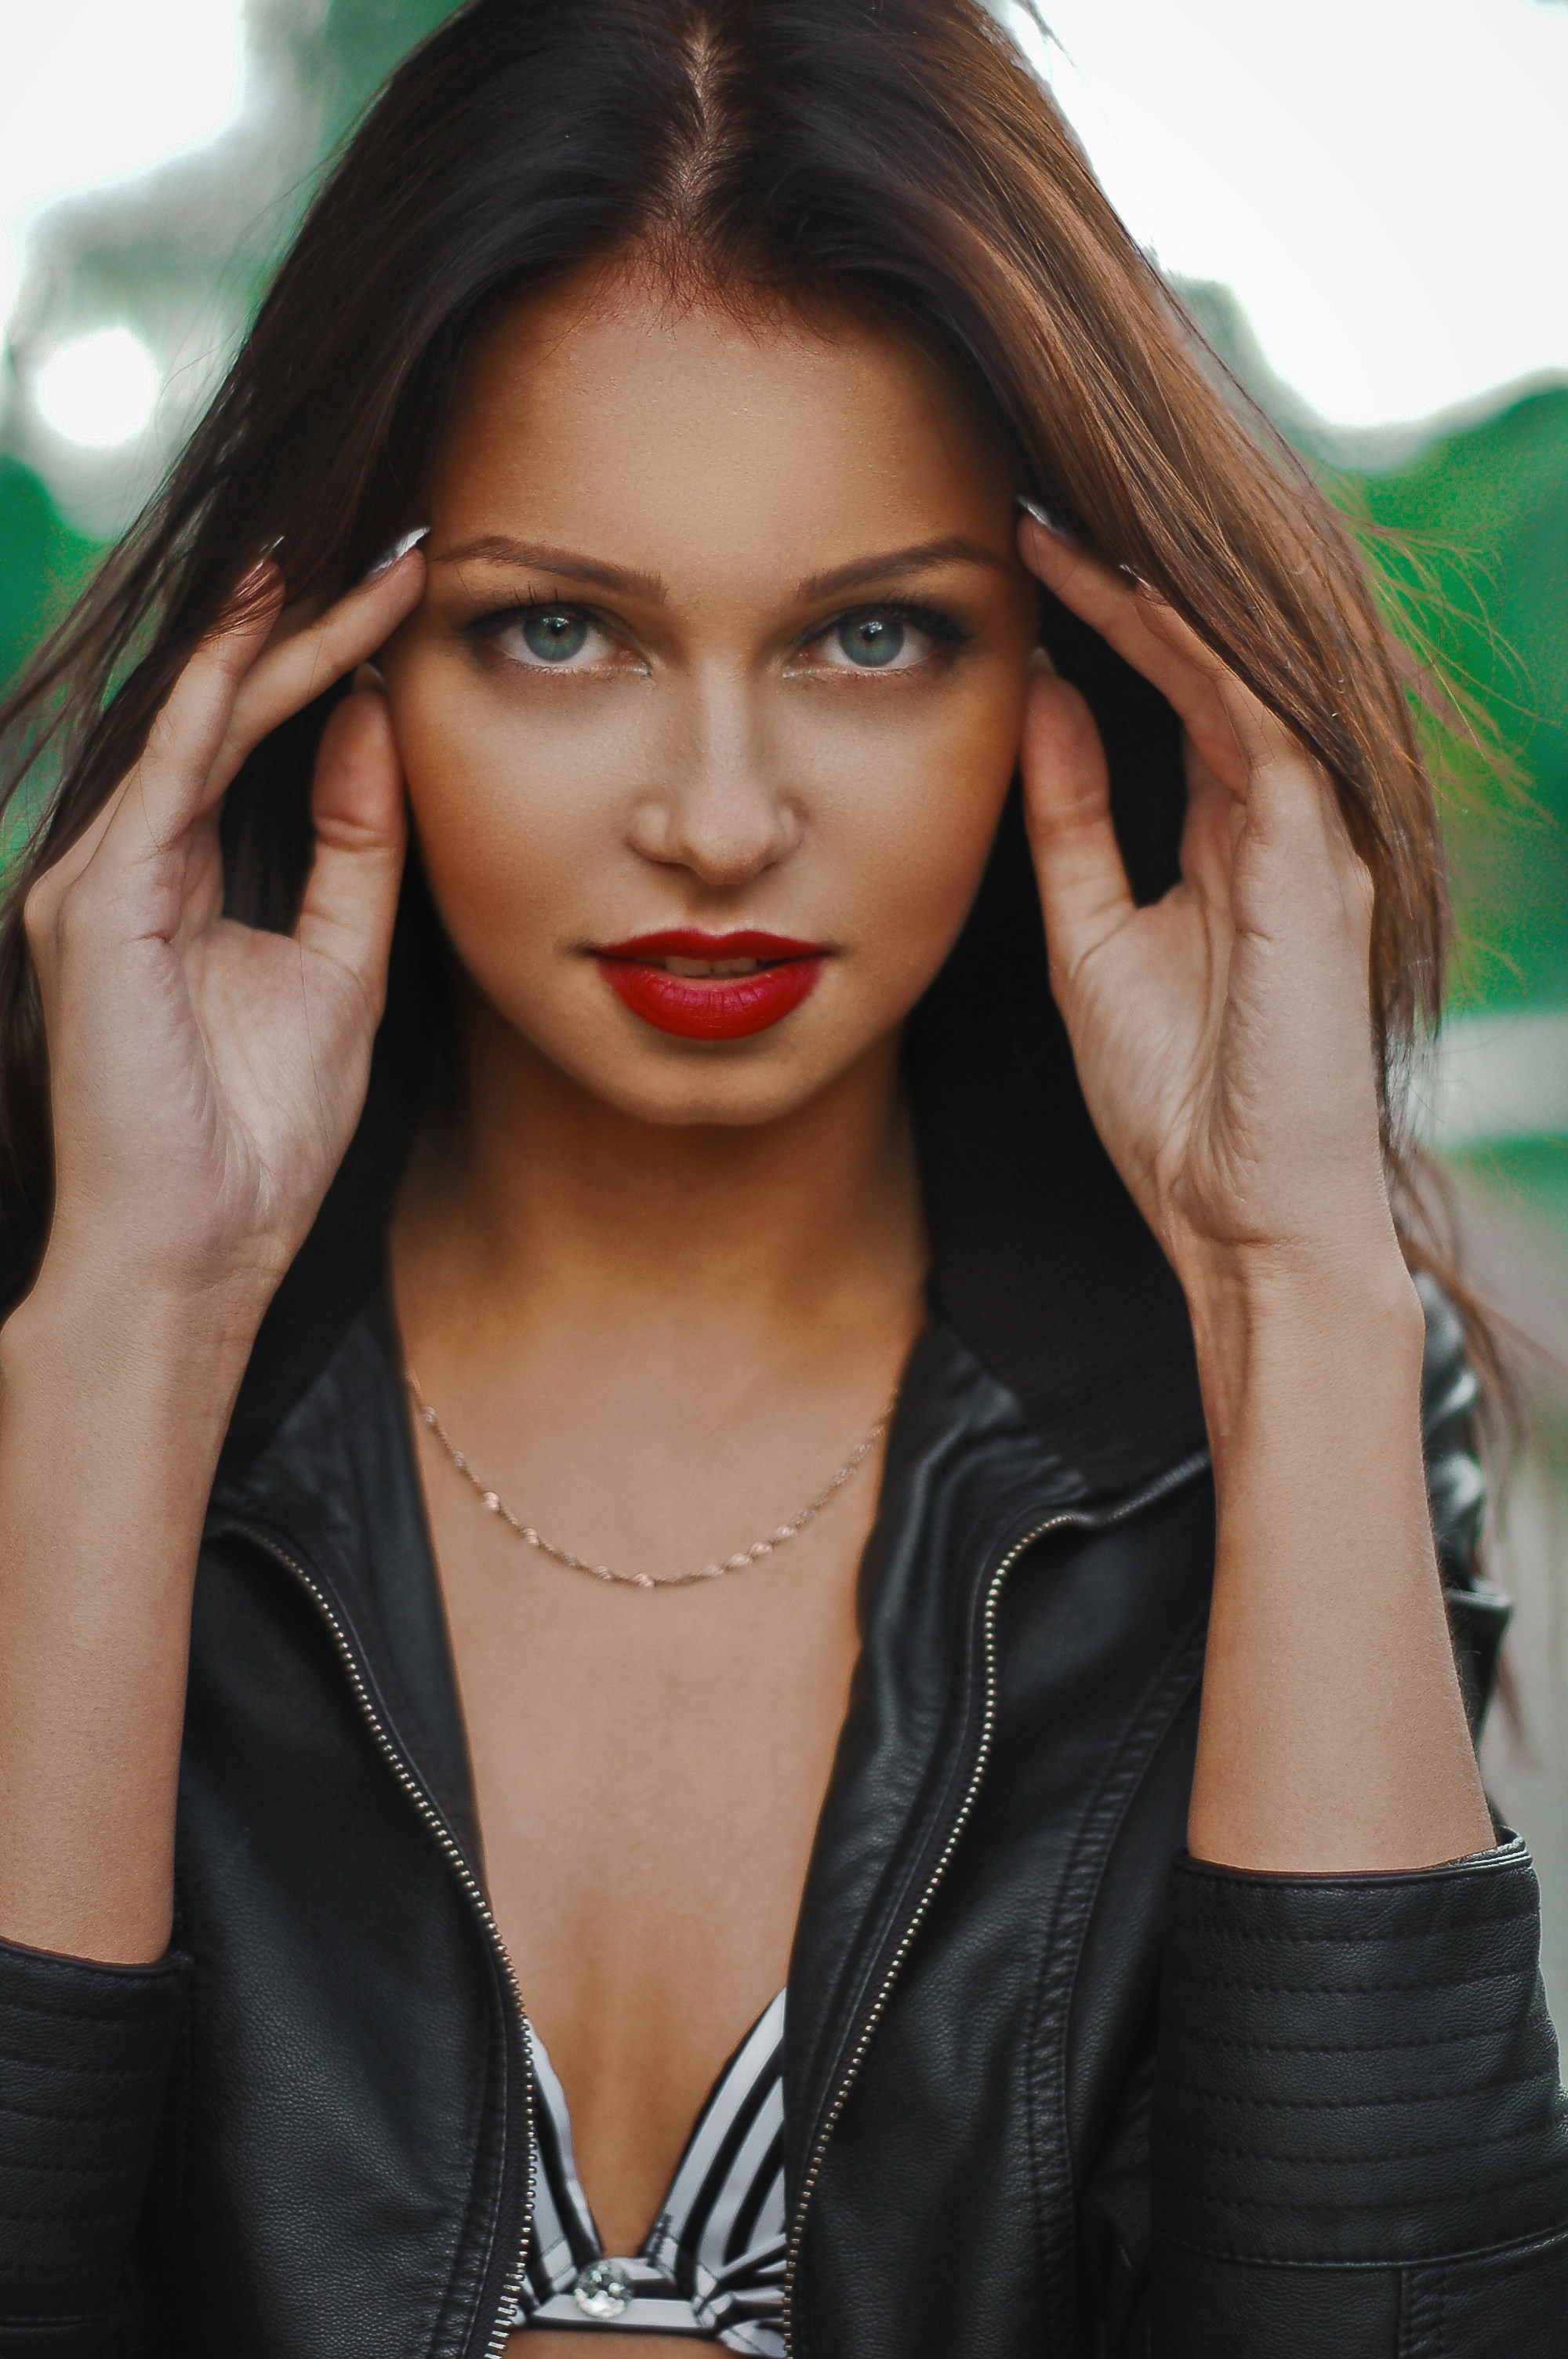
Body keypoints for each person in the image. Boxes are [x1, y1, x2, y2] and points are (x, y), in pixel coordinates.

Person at [0, 0, 1563, 2351]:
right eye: (556, 629)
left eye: (870, 634)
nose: (719, 819)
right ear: (330, 663)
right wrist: (137, 1322)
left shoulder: (1281, 1390)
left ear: (1068, 666)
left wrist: (1296, 1285)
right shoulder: (70, 1344)